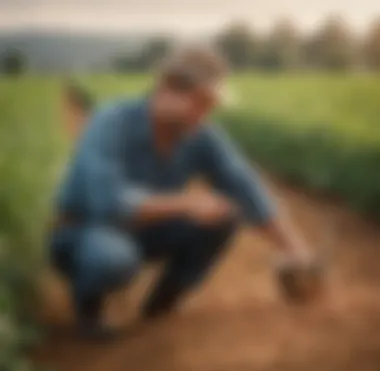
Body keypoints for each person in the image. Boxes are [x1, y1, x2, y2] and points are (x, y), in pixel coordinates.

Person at [50, 44, 316, 339]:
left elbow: (244, 185)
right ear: (166, 89)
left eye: (210, 105)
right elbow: (107, 202)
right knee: (113, 258)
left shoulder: (199, 134)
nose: (205, 114)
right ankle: (88, 309)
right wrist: (184, 203)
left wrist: (293, 248)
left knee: (225, 214)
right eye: (200, 102)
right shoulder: (110, 121)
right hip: (85, 231)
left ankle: (161, 306)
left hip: (143, 231)